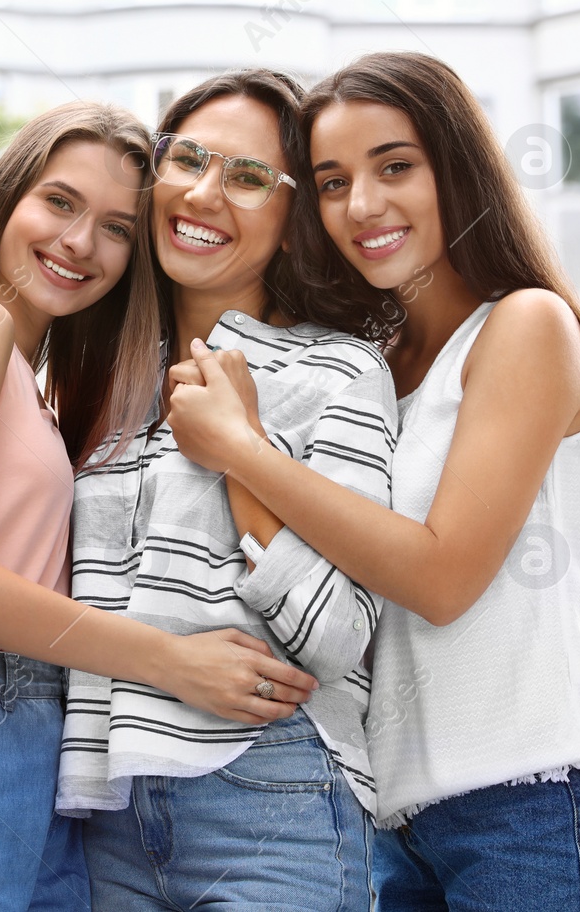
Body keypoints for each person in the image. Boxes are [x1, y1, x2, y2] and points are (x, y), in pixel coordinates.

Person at [0, 102, 319, 912]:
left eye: (115, 227)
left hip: (27, 741)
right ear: (7, 200)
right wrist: (170, 660)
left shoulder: (37, 386)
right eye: (60, 203)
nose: (80, 244)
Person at [179, 51, 580, 910]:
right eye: (331, 182)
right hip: (403, 831)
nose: (362, 205)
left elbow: (442, 578)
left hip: (549, 814)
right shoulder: (370, 369)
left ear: (460, 167)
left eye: (395, 166)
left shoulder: (524, 326)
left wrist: (245, 451)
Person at [58, 71, 393, 911]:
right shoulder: (92, 379)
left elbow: (339, 638)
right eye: (189, 160)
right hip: (106, 810)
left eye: (248, 178)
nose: (205, 193)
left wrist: (241, 454)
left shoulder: (337, 372)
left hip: (272, 791)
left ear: (291, 225)